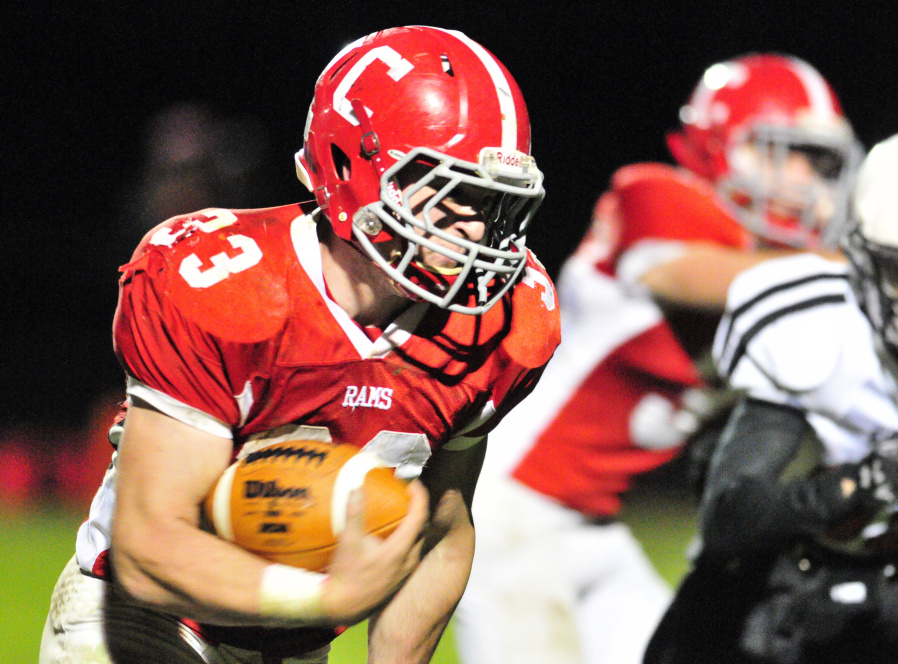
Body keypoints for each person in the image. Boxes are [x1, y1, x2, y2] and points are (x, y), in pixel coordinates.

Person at [39, 25, 560, 664]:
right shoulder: (222, 282)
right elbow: (149, 546)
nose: (476, 226)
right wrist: (321, 598)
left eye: (491, 202)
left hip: (295, 646)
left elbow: (441, 528)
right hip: (148, 620)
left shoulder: (502, 324)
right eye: (447, 194)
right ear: (349, 167)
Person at [453, 53, 862, 664]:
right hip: (508, 509)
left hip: (591, 525)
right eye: (790, 153)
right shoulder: (659, 196)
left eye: (821, 163)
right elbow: (699, 277)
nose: (806, 180)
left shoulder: (787, 273)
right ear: (721, 144)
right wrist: (870, 271)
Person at [643, 126, 898, 664]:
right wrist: (857, 485)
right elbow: (729, 518)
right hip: (775, 569)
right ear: (864, 263)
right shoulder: (812, 327)